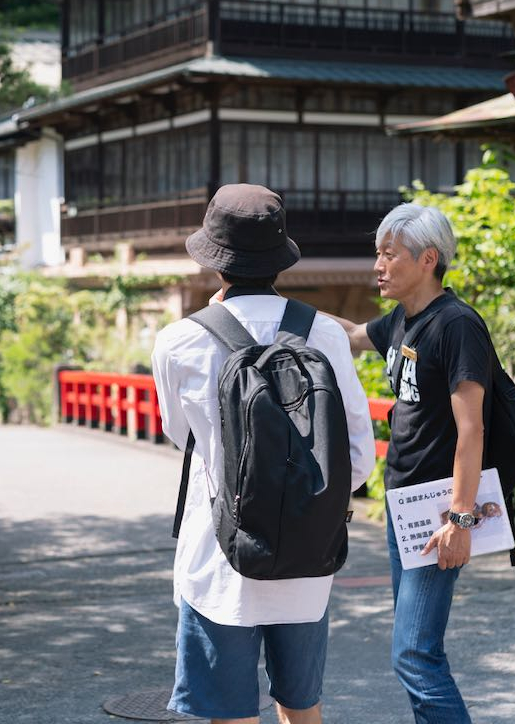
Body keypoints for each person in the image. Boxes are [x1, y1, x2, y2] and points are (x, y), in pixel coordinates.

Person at [152, 184, 376, 724]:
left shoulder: (179, 341)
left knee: (230, 713)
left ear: (213, 261)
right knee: (302, 706)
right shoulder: (324, 332)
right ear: (280, 257)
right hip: (307, 558)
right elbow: (358, 455)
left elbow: (180, 435)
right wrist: (302, 502)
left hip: (220, 556)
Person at [327, 203, 493, 724]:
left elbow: (472, 428)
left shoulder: (457, 324)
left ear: (427, 259)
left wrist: (460, 518)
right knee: (420, 651)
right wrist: (279, 307)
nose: (378, 264)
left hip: (436, 512)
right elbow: (353, 336)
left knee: (414, 655)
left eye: (388, 254)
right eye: (377, 252)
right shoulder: (403, 319)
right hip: (403, 509)